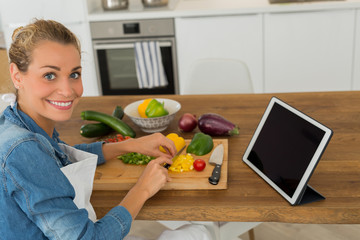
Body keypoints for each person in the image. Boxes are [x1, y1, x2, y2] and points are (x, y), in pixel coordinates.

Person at [0, 19, 179, 239]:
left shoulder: (17, 122)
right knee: (197, 232)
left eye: (74, 74)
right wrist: (142, 189)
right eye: (49, 75)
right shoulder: (22, 149)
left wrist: (131, 145)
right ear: (17, 75)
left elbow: (59, 155)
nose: (67, 90)